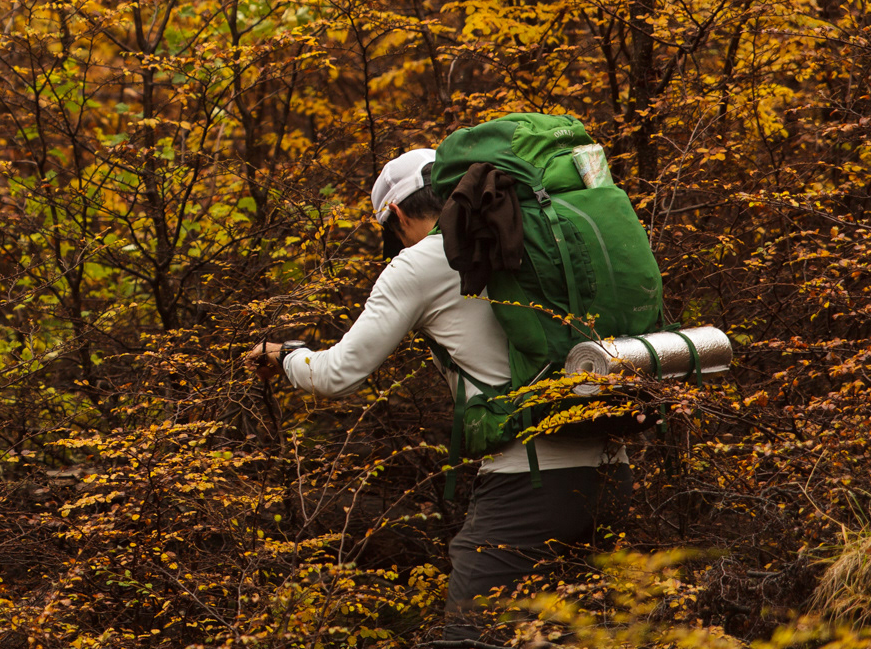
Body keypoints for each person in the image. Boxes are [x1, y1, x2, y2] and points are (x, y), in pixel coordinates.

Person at [246, 148, 626, 635]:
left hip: (530, 479)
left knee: (473, 634)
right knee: (569, 634)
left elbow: (337, 374)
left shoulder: (424, 261)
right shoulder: (526, 233)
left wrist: (285, 356)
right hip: (612, 465)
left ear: (398, 213)